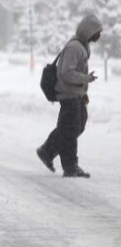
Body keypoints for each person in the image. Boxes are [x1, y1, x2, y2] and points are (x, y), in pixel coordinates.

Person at [37, 14, 103, 178]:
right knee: (69, 130)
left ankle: (47, 151)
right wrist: (85, 79)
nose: (99, 35)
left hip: (76, 94)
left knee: (75, 127)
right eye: (97, 32)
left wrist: (83, 91)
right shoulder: (75, 47)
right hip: (68, 94)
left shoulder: (81, 46)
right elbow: (66, 72)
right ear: (89, 32)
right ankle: (70, 167)